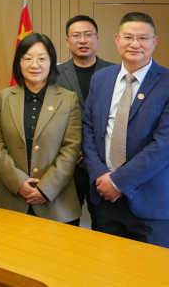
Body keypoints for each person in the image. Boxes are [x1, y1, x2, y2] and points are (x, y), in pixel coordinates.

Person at [82, 11, 169, 248]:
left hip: (150, 201)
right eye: (128, 37)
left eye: (143, 38)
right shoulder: (100, 79)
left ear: (155, 41)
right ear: (116, 39)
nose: (135, 44)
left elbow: (164, 145)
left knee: (152, 270)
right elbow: (88, 129)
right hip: (104, 197)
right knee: (106, 267)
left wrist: (118, 182)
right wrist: (100, 175)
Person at [0, 33, 82, 224]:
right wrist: (18, 182)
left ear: (51, 62)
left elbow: (71, 149)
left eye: (42, 59)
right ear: (19, 62)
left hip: (57, 203)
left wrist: (46, 188)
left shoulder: (68, 99)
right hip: (12, 199)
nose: (34, 65)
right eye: (27, 59)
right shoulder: (3, 98)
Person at [56, 15, 116, 230]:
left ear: (97, 39)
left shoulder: (115, 72)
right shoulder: (54, 75)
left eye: (88, 35)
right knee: (66, 227)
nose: (82, 40)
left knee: (104, 228)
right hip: (67, 165)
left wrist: (92, 152)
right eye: (76, 35)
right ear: (67, 41)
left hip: (104, 166)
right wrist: (75, 150)